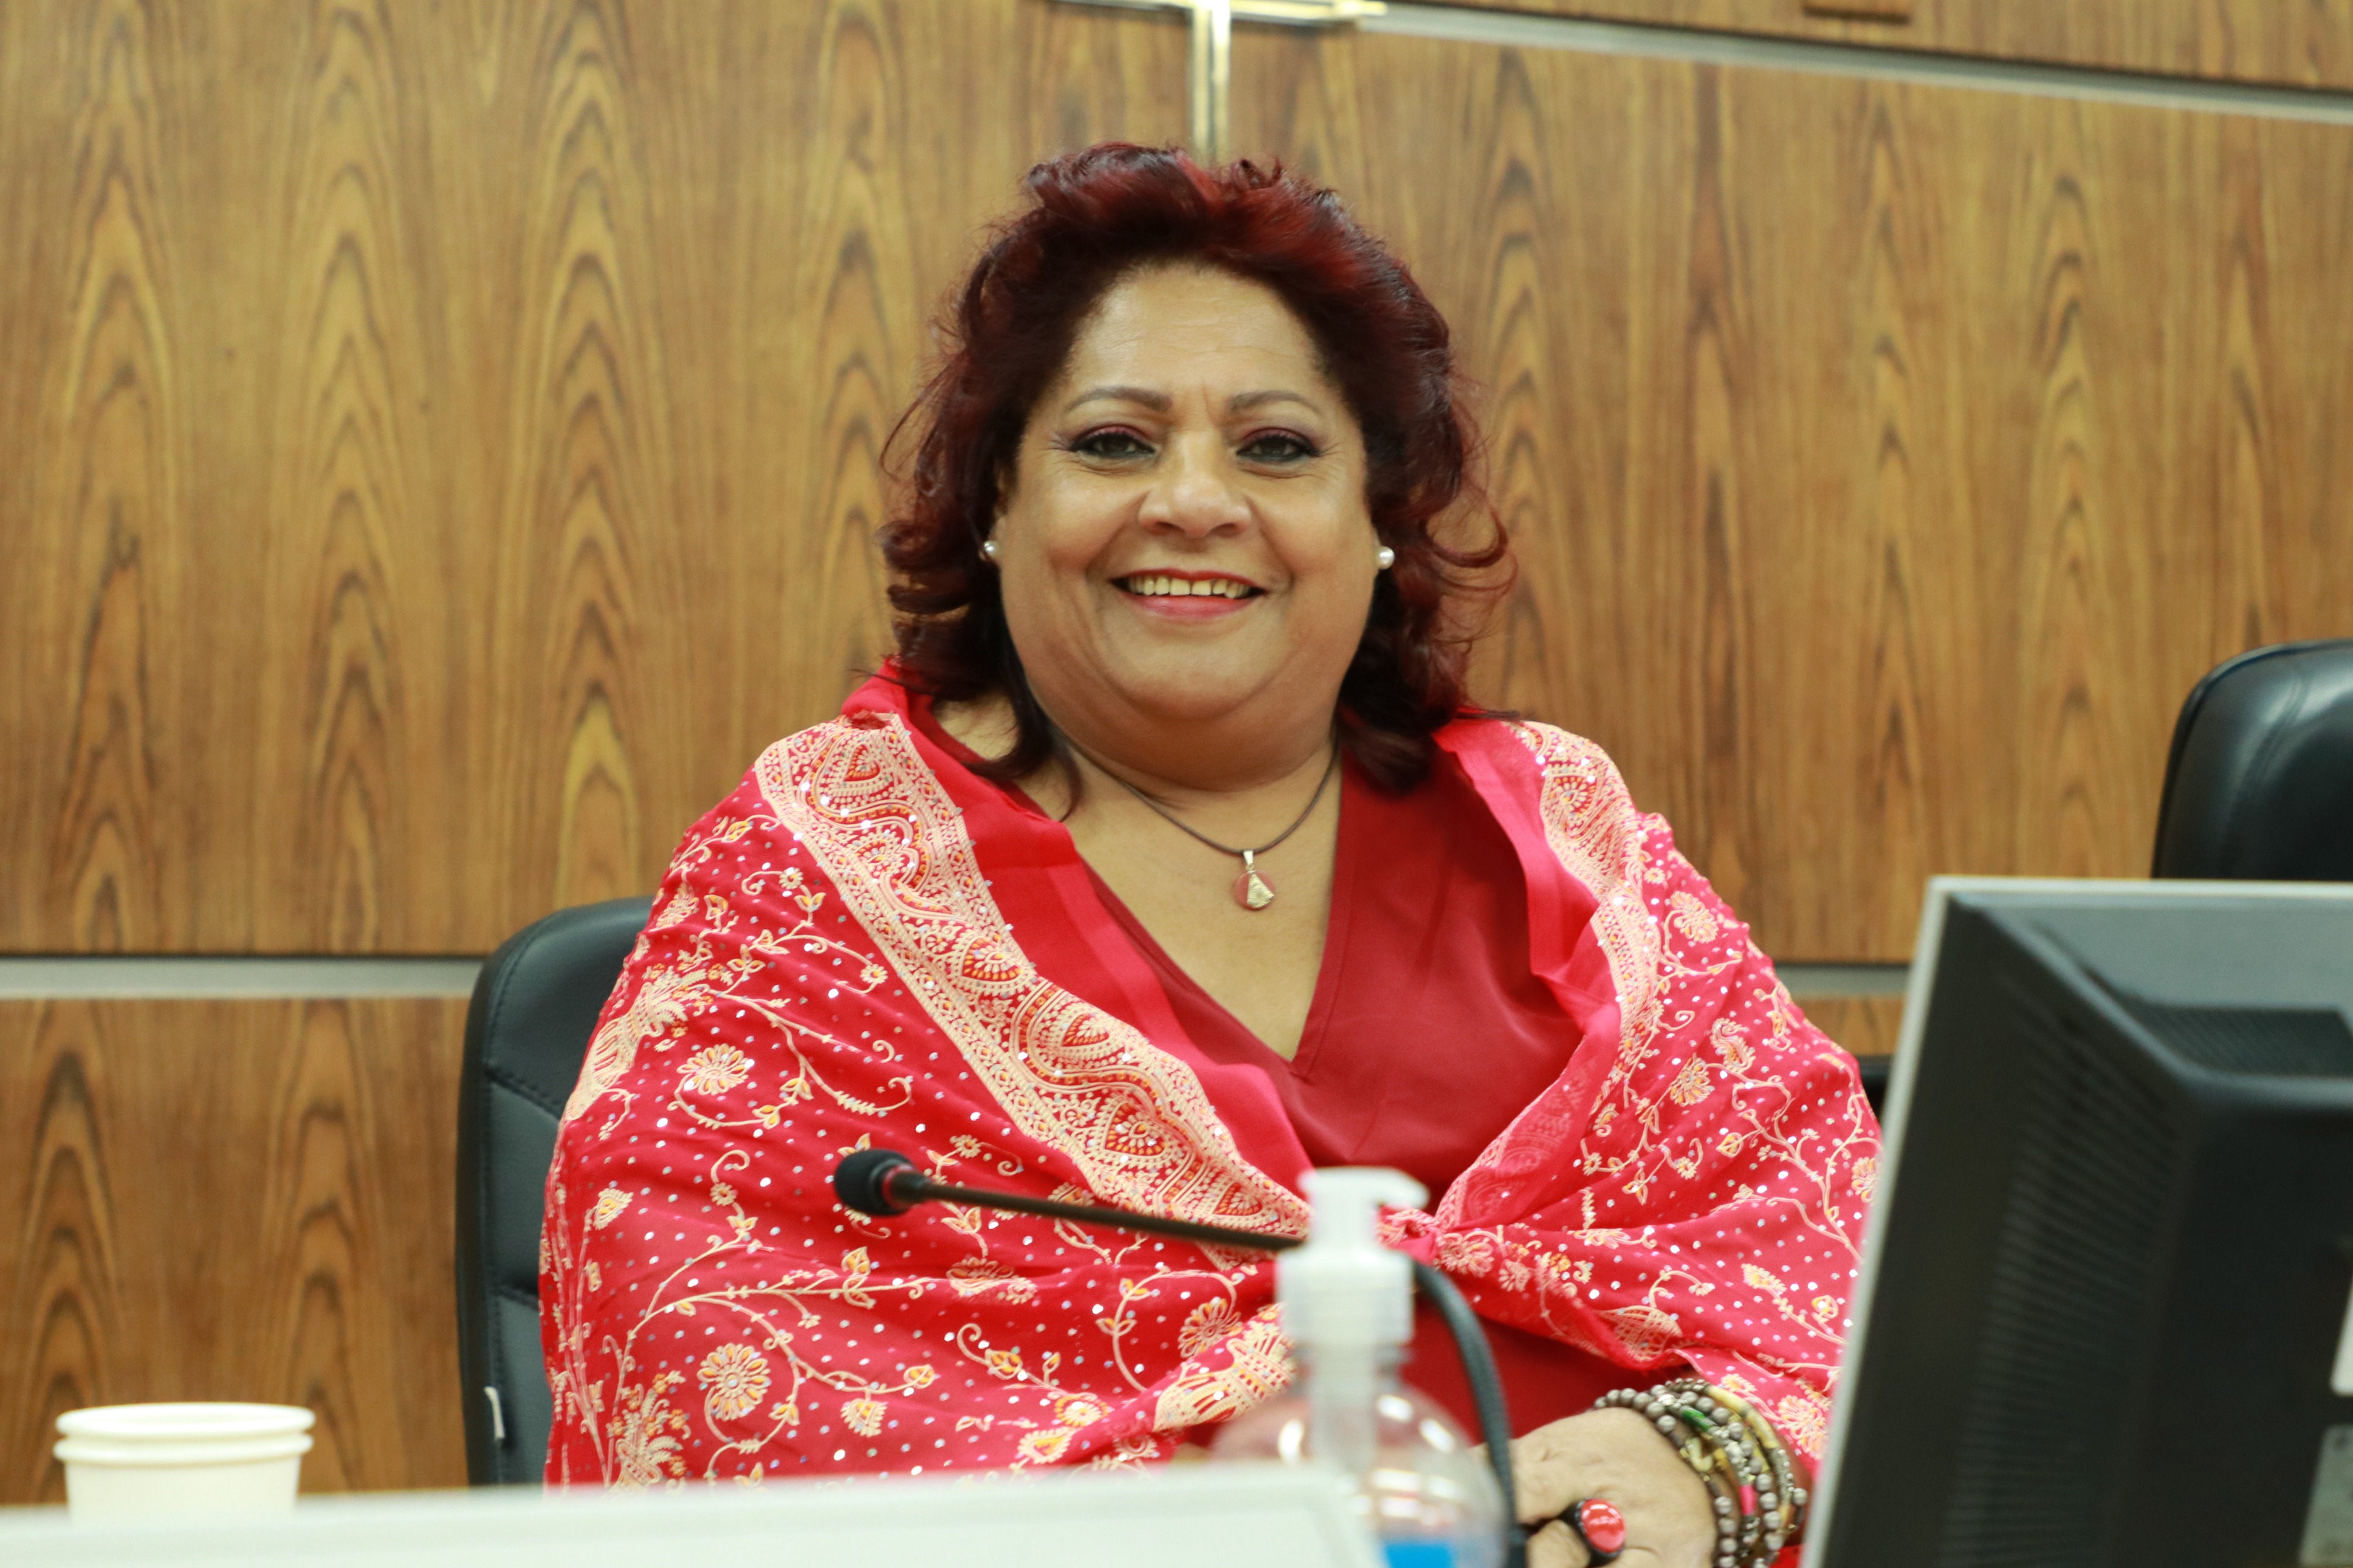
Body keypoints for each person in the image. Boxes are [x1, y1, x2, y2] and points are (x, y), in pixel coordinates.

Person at [541, 144, 1878, 1568]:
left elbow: (1860, 1282)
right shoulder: (816, 876)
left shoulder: (1565, 837)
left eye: (1276, 447)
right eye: (1114, 443)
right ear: (998, 504)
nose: (1192, 500)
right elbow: (723, 1387)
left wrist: (1709, 1463)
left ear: (1378, 519)